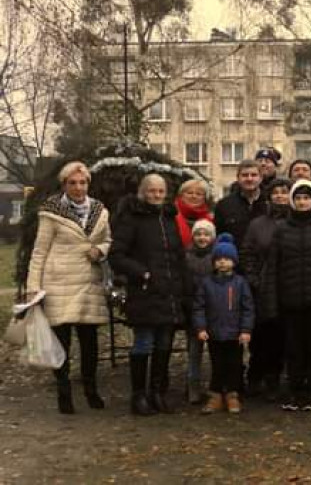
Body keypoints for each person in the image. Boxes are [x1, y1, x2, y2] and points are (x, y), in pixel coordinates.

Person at [25, 161, 112, 414]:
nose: (78, 187)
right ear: (64, 185)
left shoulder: (99, 210)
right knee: (61, 343)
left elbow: (107, 239)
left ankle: (91, 390)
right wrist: (33, 287)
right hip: (58, 282)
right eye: (72, 183)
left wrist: (101, 250)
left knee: (90, 342)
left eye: (82, 182)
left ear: (88, 184)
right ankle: (64, 393)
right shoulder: (52, 211)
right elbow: (39, 252)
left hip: (88, 282)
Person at [109, 173, 191, 416]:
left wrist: (183, 285)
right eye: (152, 191)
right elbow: (117, 255)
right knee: (144, 342)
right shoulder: (131, 218)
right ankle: (138, 395)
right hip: (145, 292)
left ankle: (158, 392)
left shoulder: (169, 218)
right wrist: (142, 273)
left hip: (170, 292)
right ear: (143, 192)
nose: (156, 195)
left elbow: (177, 255)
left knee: (164, 343)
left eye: (160, 191)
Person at [262, 180, 311, 412]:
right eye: (298, 198)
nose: (302, 202)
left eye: (307, 198)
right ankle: (295, 388)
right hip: (290, 301)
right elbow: (272, 267)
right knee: (293, 348)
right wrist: (272, 302)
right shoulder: (282, 228)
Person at [240, 178, 292, 400]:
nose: (280, 196)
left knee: (281, 336)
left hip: (287, 288)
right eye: (276, 192)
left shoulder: (296, 222)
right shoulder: (258, 224)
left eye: (284, 192)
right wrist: (253, 278)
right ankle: (255, 375)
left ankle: (274, 378)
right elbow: (247, 252)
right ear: (269, 196)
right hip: (261, 288)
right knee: (261, 336)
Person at [193, 234, 255, 414]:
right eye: (219, 259)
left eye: (226, 259)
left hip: (235, 333)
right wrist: (201, 327)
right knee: (217, 364)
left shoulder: (240, 283)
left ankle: (233, 394)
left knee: (234, 364)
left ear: (234, 261)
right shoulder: (206, 283)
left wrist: (246, 329)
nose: (222, 263)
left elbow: (247, 308)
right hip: (214, 333)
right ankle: (216, 394)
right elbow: (199, 307)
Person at [185, 219, 216, 405]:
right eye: (198, 234)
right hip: (193, 311)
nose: (202, 238)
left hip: (214, 311)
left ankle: (215, 387)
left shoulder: (217, 256)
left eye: (206, 234)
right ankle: (192, 386)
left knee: (215, 352)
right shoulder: (186, 256)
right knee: (194, 352)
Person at [215, 160, 266, 245]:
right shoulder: (224, 205)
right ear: (238, 178)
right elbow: (219, 237)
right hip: (235, 256)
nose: (249, 179)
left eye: (254, 175)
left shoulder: (269, 203)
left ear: (261, 178)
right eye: (245, 175)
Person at [173, 179, 214, 249]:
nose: (194, 196)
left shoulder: (210, 220)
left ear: (204, 198)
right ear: (181, 195)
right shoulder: (171, 214)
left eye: (199, 194)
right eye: (189, 193)